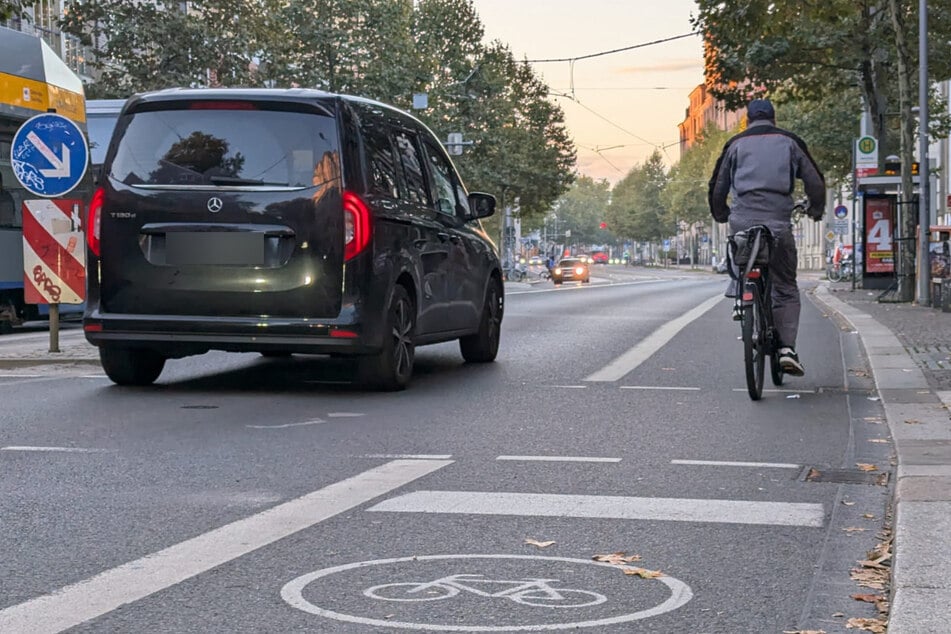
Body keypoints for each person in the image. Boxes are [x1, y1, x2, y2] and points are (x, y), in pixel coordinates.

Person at [708, 98, 826, 377]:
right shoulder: (789, 141)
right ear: (774, 118)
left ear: (747, 120)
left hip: (743, 221)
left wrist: (721, 213)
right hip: (778, 225)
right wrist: (815, 209)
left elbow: (718, 185)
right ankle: (786, 349)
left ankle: (741, 295)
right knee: (784, 285)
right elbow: (815, 181)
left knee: (741, 253)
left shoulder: (735, 144)